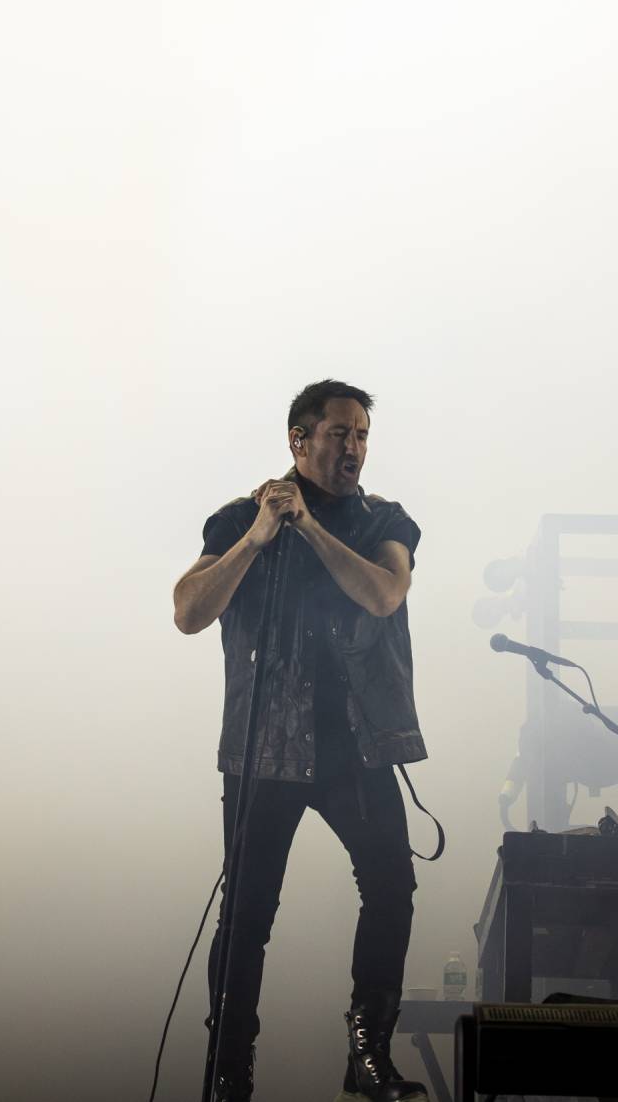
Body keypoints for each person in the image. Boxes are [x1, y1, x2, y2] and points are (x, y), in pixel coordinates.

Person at [174, 380, 429, 1102]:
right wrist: (258, 538)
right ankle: (228, 1069)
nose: (353, 448)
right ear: (299, 439)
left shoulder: (387, 520)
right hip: (265, 750)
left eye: (362, 436)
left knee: (391, 890)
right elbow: (189, 612)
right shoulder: (238, 519)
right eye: (339, 434)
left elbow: (383, 595)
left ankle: (367, 1053)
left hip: (356, 744)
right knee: (247, 913)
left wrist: (311, 529)